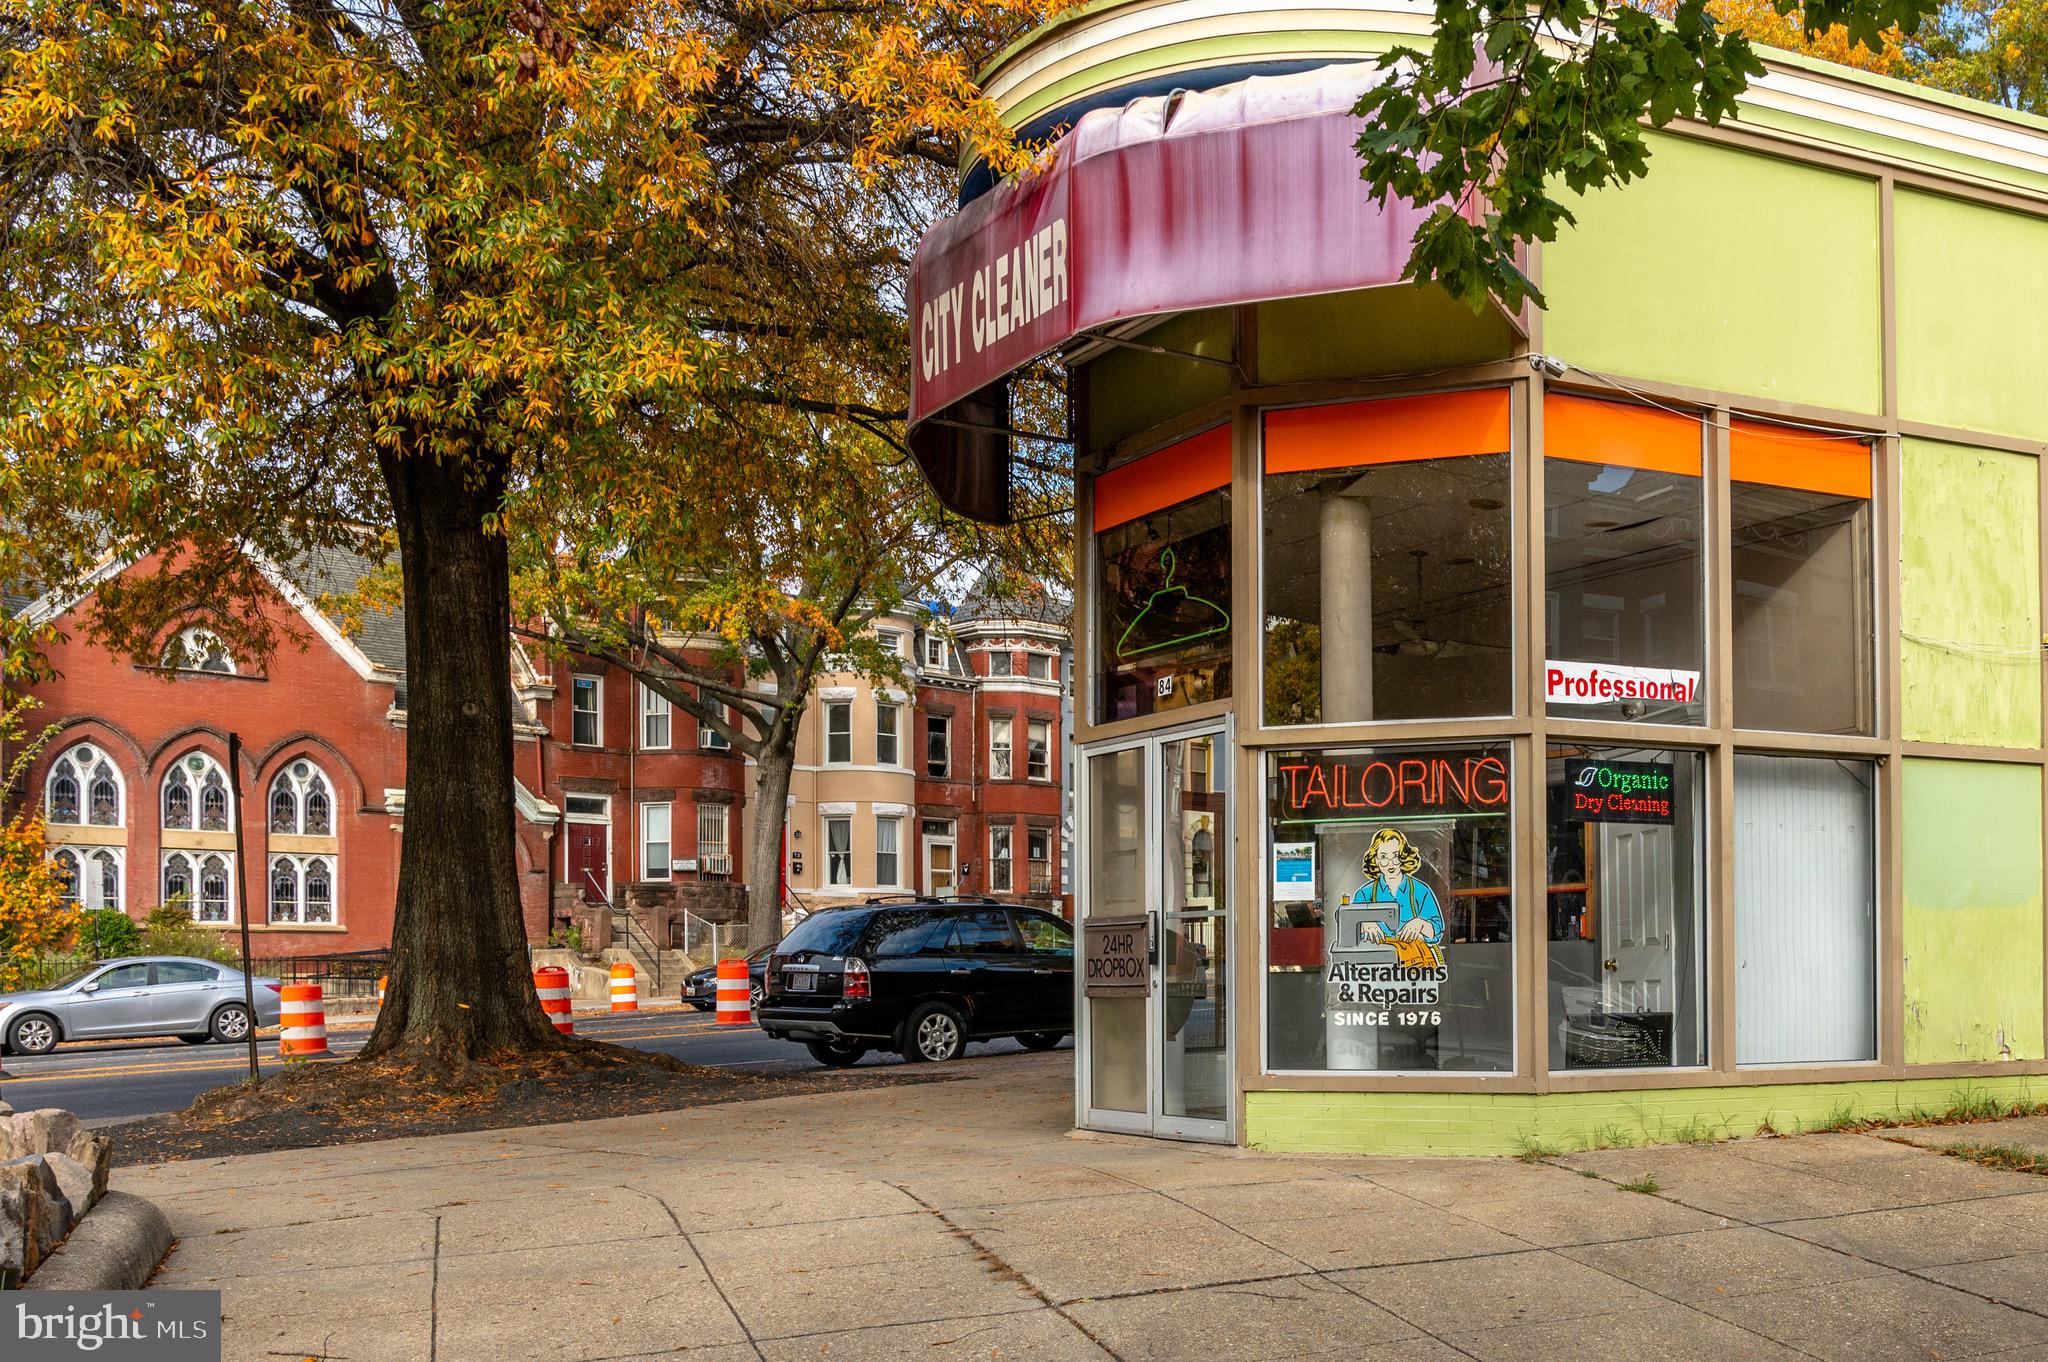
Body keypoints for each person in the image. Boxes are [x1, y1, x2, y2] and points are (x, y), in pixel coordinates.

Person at [1349, 828, 1444, 963]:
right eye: (1383, 857)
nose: (1390, 863)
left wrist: (1421, 924)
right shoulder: (1365, 893)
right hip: (1377, 964)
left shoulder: (1421, 891)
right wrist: (1364, 924)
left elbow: (1436, 931)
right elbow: (1351, 924)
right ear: (1375, 859)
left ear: (1403, 856)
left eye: (1395, 856)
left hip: (1414, 960)